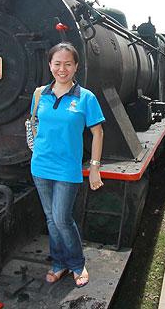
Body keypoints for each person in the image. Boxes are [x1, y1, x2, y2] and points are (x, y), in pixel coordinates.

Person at [29, 42, 105, 289]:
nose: (62, 69)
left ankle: (76, 263)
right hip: (40, 165)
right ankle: (59, 262)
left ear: (76, 67)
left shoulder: (86, 97)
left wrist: (94, 167)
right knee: (51, 218)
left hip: (67, 168)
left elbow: (98, 133)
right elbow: (36, 124)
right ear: (50, 65)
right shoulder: (40, 94)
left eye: (68, 64)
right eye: (57, 63)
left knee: (62, 218)